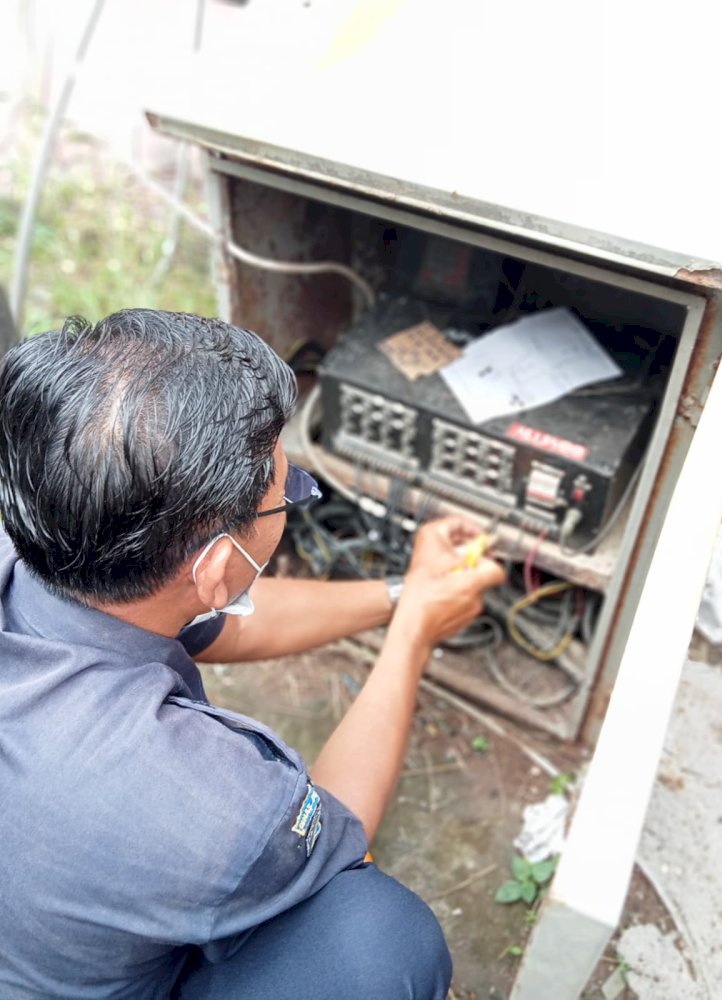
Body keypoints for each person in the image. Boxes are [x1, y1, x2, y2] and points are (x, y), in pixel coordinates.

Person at [0, 309, 506, 1000]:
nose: (291, 497)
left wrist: (403, 591)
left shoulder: (59, 549)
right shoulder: (199, 796)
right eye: (287, 493)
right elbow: (338, 833)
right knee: (380, 936)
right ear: (213, 567)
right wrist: (414, 634)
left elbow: (219, 620)